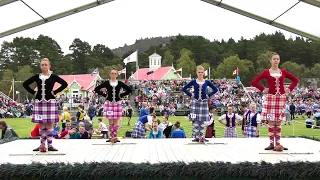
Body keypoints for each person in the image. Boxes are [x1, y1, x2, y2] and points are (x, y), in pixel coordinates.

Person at [251, 52, 299, 151]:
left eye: (277, 59)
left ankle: (278, 144)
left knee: (279, 122)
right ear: (270, 60)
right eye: (274, 59)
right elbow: (254, 82)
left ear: (279, 60)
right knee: (271, 122)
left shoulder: (283, 72)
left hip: (281, 99)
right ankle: (271, 143)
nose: (276, 61)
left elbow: (295, 80)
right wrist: (263, 89)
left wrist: (289, 89)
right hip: (271, 98)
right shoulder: (266, 72)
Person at [23, 58, 68, 152]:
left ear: (49, 66)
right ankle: (42, 145)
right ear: (40, 66)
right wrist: (33, 92)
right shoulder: (37, 77)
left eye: (45, 65)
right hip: (39, 103)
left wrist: (55, 92)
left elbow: (64, 84)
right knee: (42, 125)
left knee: (49, 124)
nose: (44, 66)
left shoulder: (53, 77)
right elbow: (25, 84)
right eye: (42, 65)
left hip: (50, 102)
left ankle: (50, 145)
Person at [94, 68, 132, 143]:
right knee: (110, 121)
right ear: (110, 74)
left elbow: (129, 89)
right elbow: (97, 89)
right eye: (112, 73)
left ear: (117, 75)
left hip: (117, 103)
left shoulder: (120, 83)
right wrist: (105, 95)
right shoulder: (107, 83)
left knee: (116, 122)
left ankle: (115, 137)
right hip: (109, 103)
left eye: (115, 73)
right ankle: (111, 137)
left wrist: (121, 95)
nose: (113, 75)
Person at [183, 65, 218, 142]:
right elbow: (184, 88)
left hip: (204, 102)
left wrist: (208, 95)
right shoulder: (193, 81)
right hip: (195, 102)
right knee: (195, 119)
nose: (200, 74)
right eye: (199, 72)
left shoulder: (207, 82)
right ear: (196, 72)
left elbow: (215, 89)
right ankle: (196, 136)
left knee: (202, 120)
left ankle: (201, 136)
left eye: (202, 72)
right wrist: (190, 95)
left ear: (203, 73)